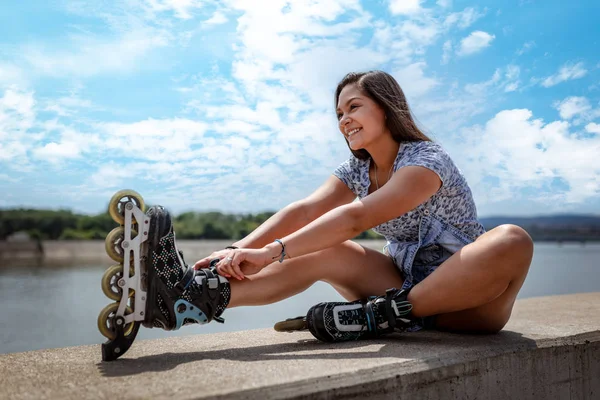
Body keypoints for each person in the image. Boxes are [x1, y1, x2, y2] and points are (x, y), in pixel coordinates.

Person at [144, 70, 534, 342]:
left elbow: (357, 217)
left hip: (469, 305)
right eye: (339, 114)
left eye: (354, 107)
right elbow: (304, 211)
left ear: (385, 107)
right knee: (327, 250)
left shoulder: (426, 160)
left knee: (513, 239)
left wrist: (270, 253)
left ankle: (377, 318)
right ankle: (187, 300)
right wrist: (235, 250)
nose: (344, 120)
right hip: (397, 294)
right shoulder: (357, 168)